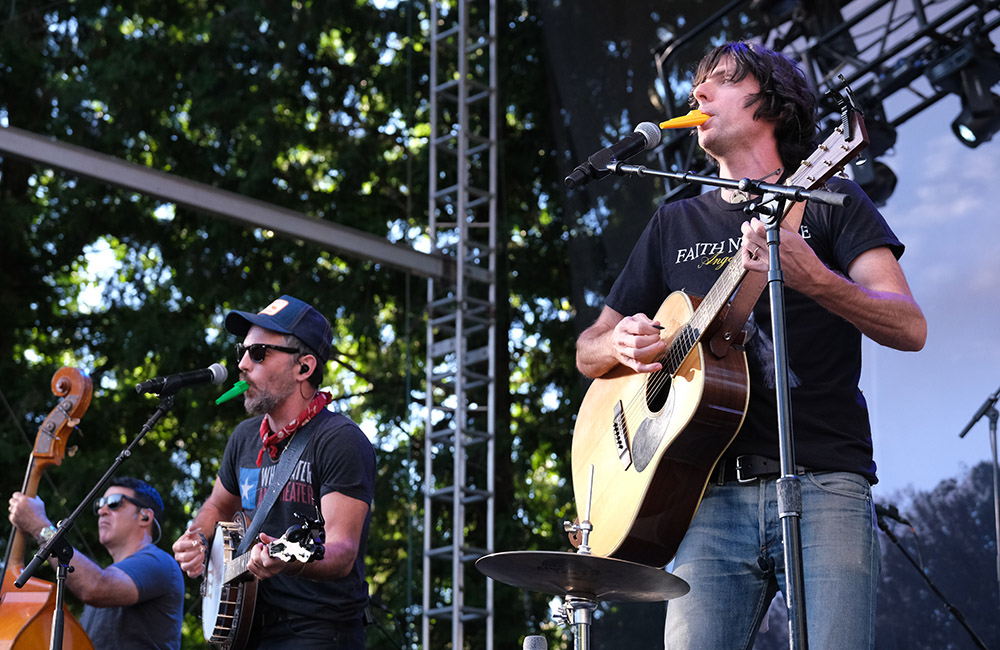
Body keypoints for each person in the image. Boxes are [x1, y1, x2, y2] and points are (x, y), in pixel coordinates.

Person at [575, 41, 927, 649]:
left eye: (720, 81)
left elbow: (908, 325)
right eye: (696, 86)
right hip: (702, 497)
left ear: (773, 105)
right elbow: (588, 350)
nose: (699, 95)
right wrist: (623, 346)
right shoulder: (674, 220)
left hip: (823, 478)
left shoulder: (834, 199)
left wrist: (816, 278)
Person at [172, 294, 376, 650]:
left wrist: (289, 561)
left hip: (316, 632)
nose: (243, 365)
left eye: (259, 353)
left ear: (304, 367)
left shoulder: (339, 440)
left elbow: (342, 550)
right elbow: (219, 506)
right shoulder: (245, 437)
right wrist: (198, 539)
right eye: (243, 352)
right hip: (246, 630)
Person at [8, 476, 184, 650]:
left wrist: (40, 526)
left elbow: (95, 586)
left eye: (114, 502)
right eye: (100, 504)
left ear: (145, 516)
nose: (102, 510)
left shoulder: (160, 562)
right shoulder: (107, 576)